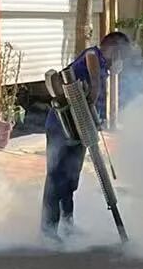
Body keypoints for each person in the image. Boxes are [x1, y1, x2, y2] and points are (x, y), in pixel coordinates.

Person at [42, 30, 132, 238]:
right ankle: (48, 231)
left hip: (80, 128)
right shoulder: (93, 56)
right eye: (122, 55)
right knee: (56, 177)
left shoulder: (103, 67)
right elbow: (92, 87)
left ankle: (68, 225)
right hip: (62, 126)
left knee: (70, 178)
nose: (121, 62)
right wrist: (95, 87)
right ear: (114, 50)